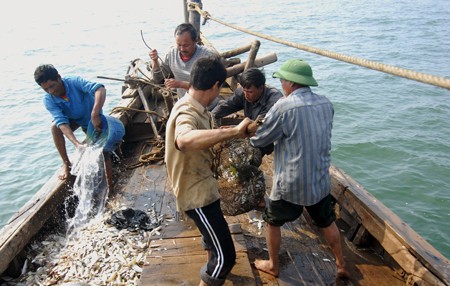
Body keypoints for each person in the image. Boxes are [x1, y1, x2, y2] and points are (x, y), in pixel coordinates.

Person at [248, 59, 349, 279]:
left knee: (272, 221)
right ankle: (341, 263)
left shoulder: (283, 107)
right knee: (327, 221)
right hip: (319, 179)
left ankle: (273, 265)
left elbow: (260, 138)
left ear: (291, 83)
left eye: (283, 80)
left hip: (290, 182)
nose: (282, 84)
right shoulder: (325, 103)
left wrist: (248, 131)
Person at [165, 55, 252, 286]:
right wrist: (233, 133)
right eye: (219, 87)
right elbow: (183, 140)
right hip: (196, 194)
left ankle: (211, 266)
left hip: (203, 185)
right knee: (226, 258)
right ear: (215, 86)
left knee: (210, 238)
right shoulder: (187, 112)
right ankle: (213, 274)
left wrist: (223, 131)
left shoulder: (194, 105)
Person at [34, 64, 115, 190]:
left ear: (59, 77)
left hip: (93, 119)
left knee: (103, 151)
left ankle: (110, 188)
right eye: (46, 89)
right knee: (54, 127)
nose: (51, 91)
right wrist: (76, 143)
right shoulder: (49, 100)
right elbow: (62, 123)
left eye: (52, 86)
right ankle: (66, 164)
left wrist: (95, 113)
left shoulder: (74, 82)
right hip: (74, 119)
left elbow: (100, 89)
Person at [211, 67, 283, 156]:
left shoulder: (274, 100)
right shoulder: (243, 92)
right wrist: (211, 119)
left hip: (266, 137)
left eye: (250, 92)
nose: (246, 95)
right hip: (248, 131)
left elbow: (260, 124)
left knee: (245, 159)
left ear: (261, 88)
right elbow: (225, 106)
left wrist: (233, 129)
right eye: (244, 91)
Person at [149, 22, 216, 104]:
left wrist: (181, 84)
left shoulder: (207, 56)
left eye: (186, 45)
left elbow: (208, 87)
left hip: (205, 104)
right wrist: (155, 61)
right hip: (184, 103)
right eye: (179, 44)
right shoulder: (172, 53)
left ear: (196, 41)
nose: (182, 49)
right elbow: (157, 78)